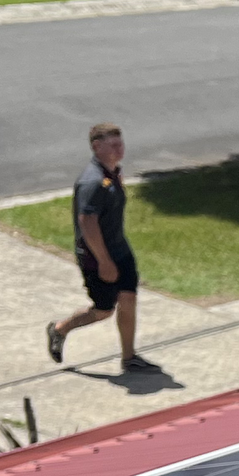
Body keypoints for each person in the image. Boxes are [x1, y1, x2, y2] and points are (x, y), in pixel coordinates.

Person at [47, 123, 156, 372]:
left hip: (120, 250)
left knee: (129, 299)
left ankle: (129, 358)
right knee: (104, 310)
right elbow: (87, 222)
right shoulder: (92, 182)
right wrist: (105, 261)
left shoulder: (111, 174)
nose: (120, 149)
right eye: (113, 145)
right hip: (98, 257)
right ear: (97, 147)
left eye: (121, 143)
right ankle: (59, 329)